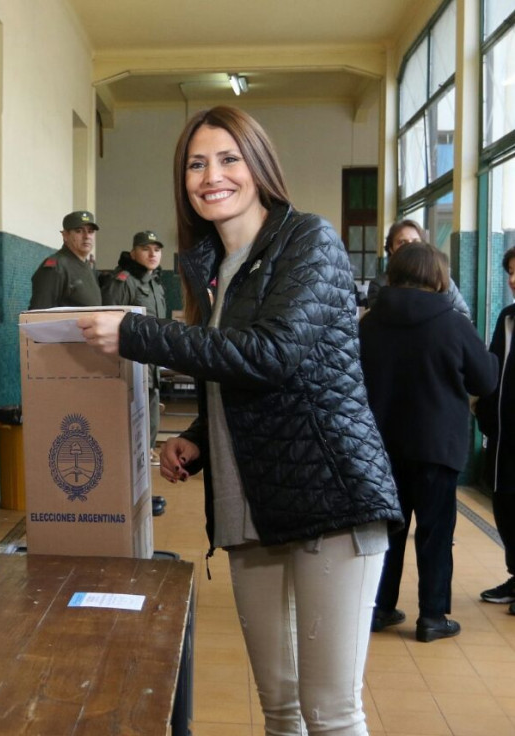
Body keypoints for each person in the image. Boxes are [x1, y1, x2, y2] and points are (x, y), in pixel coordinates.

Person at [77, 106, 401, 736]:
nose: (212, 176)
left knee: (330, 714)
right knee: (279, 709)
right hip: (249, 506)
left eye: (229, 159)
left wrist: (138, 333)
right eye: (197, 163)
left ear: (260, 167)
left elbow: (276, 353)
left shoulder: (308, 239)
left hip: (328, 499)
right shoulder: (212, 268)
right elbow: (237, 373)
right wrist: (197, 438)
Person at [360, 242, 497, 641]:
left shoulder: (369, 323)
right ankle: (432, 617)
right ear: (439, 277)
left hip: (380, 447)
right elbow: (485, 380)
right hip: (438, 447)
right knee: (435, 533)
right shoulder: (453, 323)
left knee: (387, 532)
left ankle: (381, 608)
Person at [101, 230, 169, 458]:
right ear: (133, 252)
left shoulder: (155, 284)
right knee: (131, 410)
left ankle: (147, 451)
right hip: (131, 360)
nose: (152, 254)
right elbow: (109, 320)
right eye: (145, 249)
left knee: (151, 406)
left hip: (153, 360)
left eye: (157, 250)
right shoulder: (123, 281)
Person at [478, 246, 515, 608]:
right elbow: (491, 371)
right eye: (510, 272)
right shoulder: (507, 318)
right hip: (504, 436)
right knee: (504, 504)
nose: (512, 279)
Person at [366, 219, 470, 317]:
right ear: (391, 249)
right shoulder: (379, 285)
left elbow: (464, 315)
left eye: (415, 241)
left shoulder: (441, 279)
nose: (410, 247)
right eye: (402, 242)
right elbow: (379, 321)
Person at [28, 210, 103, 309]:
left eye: (90, 231)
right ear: (65, 235)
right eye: (79, 231)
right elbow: (39, 315)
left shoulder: (88, 266)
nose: (87, 236)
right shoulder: (56, 267)